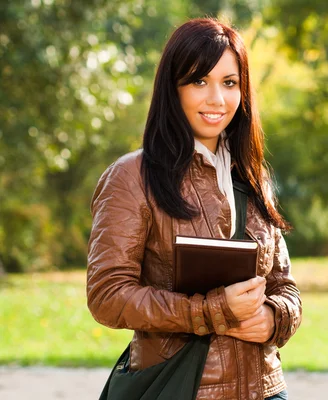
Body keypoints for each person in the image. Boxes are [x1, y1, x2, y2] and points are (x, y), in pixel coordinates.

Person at [87, 18, 301, 400]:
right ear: (173, 88)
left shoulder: (253, 178)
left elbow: (284, 285)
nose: (217, 99)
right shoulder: (132, 177)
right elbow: (108, 294)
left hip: (265, 388)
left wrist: (274, 318)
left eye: (229, 83)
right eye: (199, 81)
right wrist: (210, 310)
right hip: (184, 387)